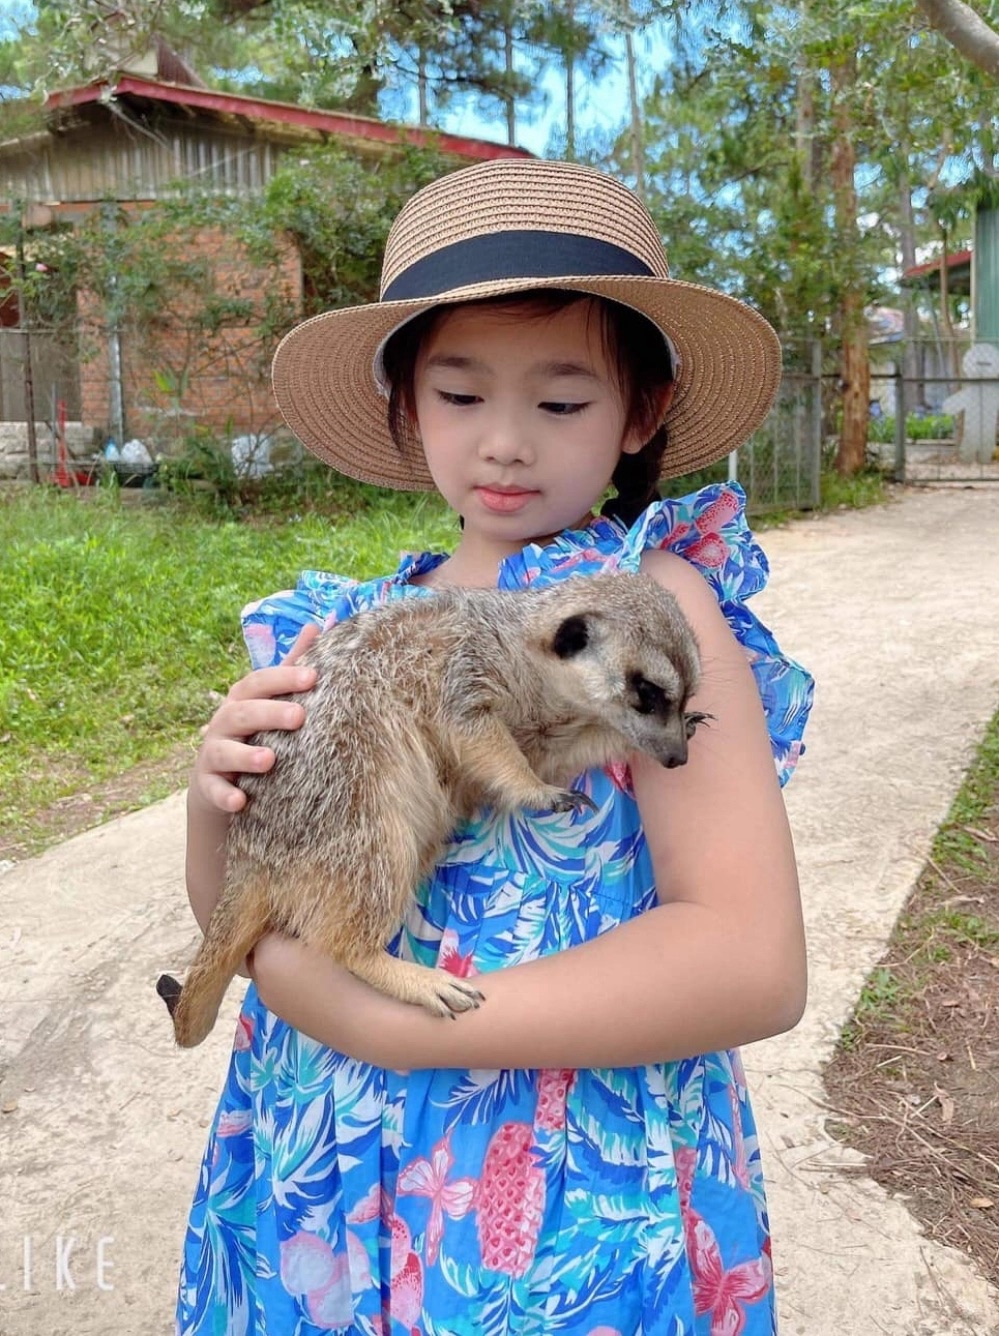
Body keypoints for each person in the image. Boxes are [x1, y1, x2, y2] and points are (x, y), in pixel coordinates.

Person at [177, 157, 813, 1335]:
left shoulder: (652, 605)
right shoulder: (337, 625)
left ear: (643, 412)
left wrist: (391, 1020)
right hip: (320, 1177)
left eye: (562, 403)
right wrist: (211, 801)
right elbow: (247, 910)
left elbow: (753, 960)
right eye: (462, 396)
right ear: (404, 407)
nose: (507, 444)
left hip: (567, 1199)